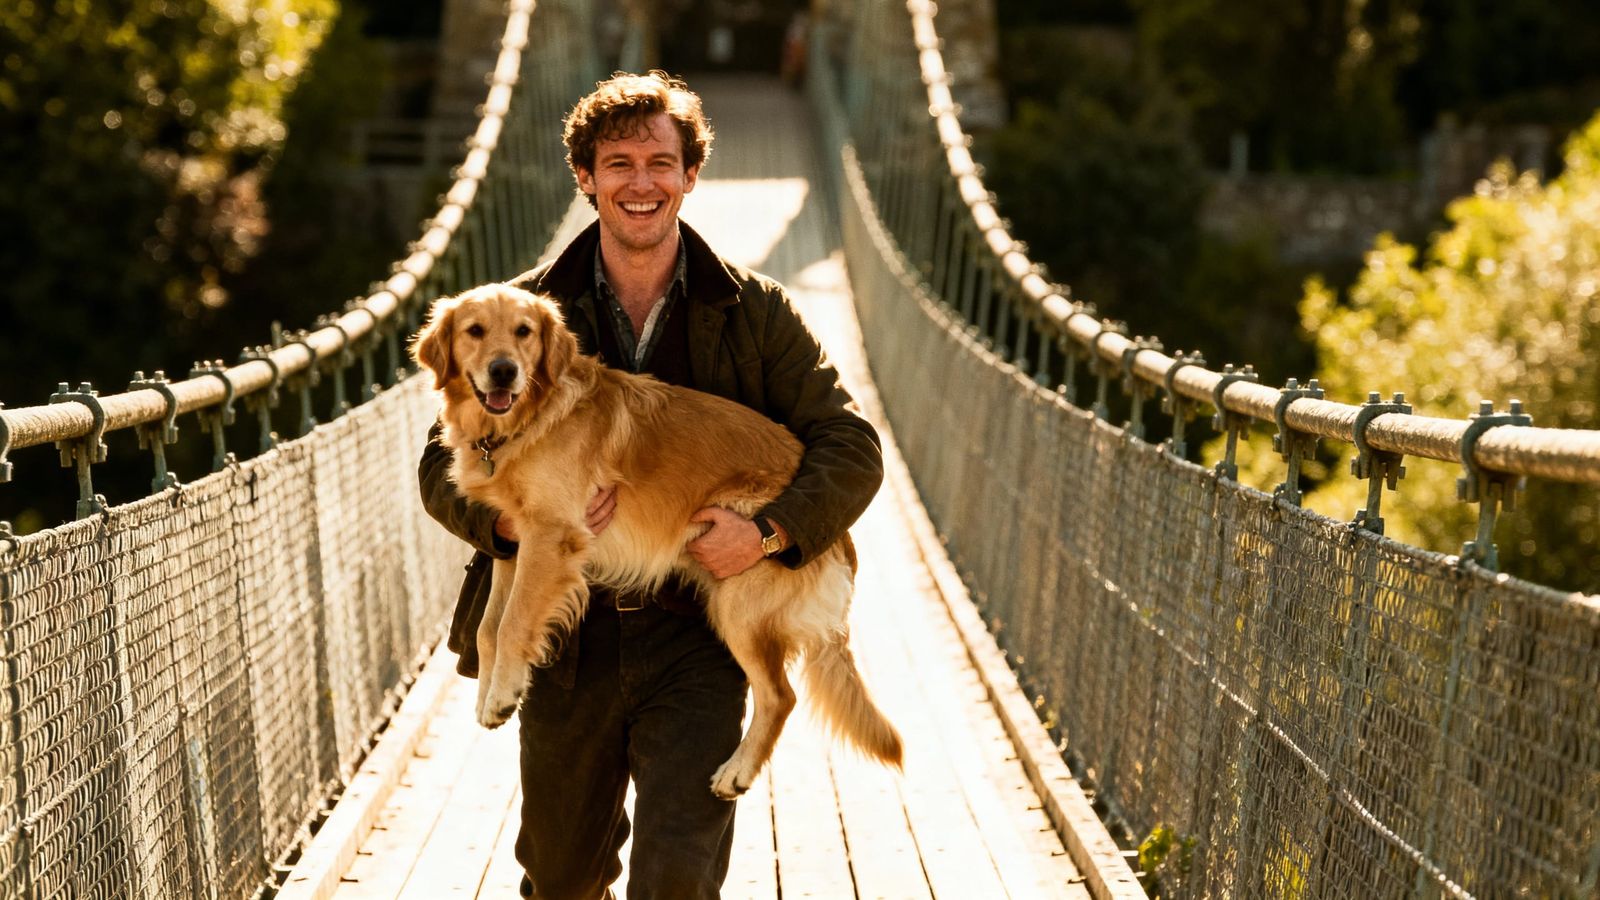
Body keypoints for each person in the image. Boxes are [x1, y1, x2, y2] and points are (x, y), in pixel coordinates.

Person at [417, 71, 883, 899]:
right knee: (560, 880)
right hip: (571, 645)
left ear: (689, 176)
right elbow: (440, 465)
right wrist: (512, 530)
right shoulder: (520, 312)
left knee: (678, 878)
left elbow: (850, 444)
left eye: (661, 162)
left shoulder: (755, 311)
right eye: (619, 162)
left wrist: (769, 532)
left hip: (696, 635)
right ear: (586, 178)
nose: (642, 182)